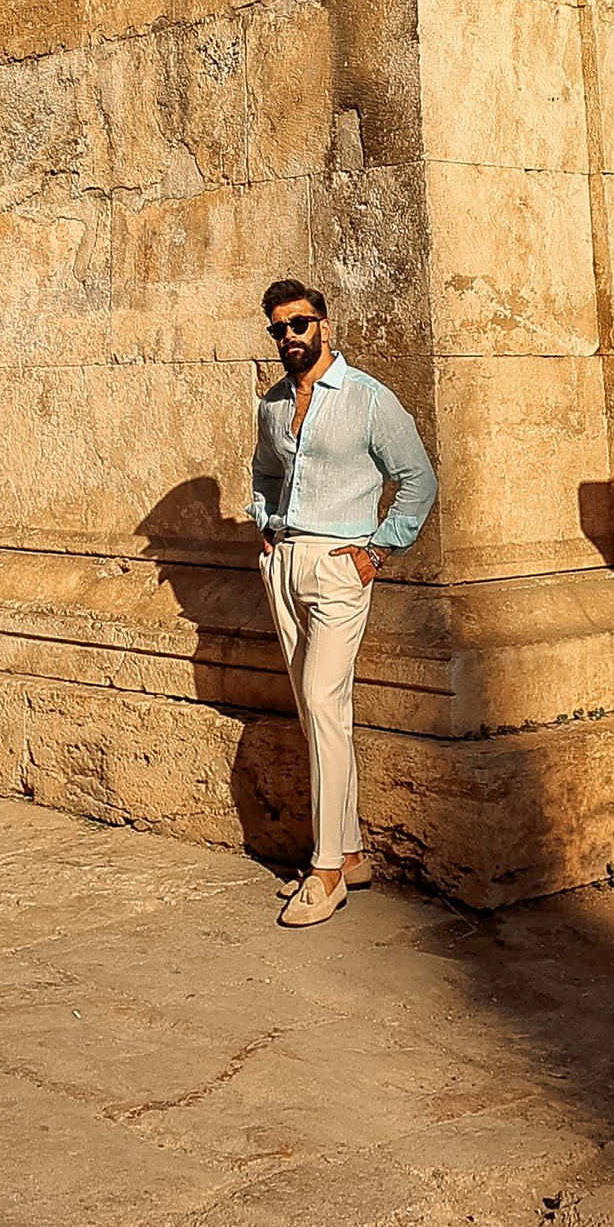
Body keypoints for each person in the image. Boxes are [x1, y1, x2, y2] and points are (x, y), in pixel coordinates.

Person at [248, 278, 438, 928]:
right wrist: (267, 529)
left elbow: (417, 480)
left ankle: (325, 870)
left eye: (299, 324)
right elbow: (266, 473)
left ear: (324, 325)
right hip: (285, 562)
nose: (289, 337)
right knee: (315, 710)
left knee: (326, 701)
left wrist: (377, 551)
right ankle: (352, 851)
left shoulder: (367, 400)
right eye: (278, 329)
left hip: (340, 566)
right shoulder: (273, 404)